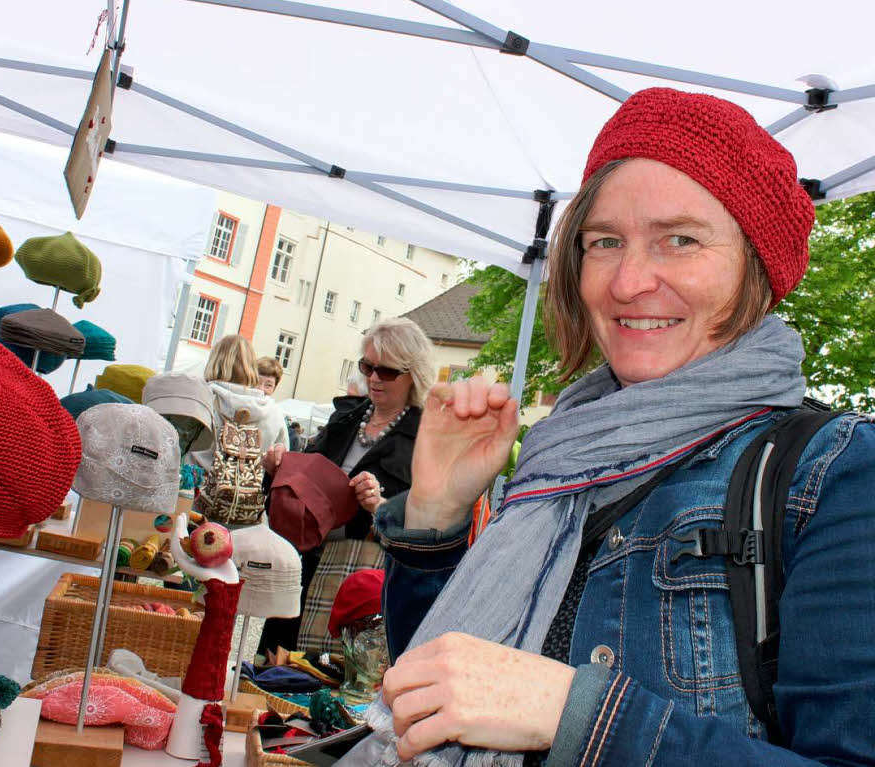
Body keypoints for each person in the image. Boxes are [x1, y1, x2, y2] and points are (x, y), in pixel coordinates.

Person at [343, 88, 875, 766]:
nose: (627, 281)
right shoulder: (555, 462)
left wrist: (578, 715)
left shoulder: (831, 474)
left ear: (758, 269)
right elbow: (433, 699)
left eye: (679, 239)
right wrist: (436, 515)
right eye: (605, 242)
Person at [259, 316, 435, 651]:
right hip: (305, 565)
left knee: (330, 674)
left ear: (414, 374)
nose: (373, 378)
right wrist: (278, 470)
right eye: (367, 367)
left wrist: (382, 506)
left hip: (365, 575)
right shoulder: (346, 417)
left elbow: (431, 524)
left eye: (386, 371)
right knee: (275, 667)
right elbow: (300, 484)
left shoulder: (428, 437)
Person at [188, 335, 289, 473]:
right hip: (246, 491)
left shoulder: (203, 398)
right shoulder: (274, 413)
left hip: (196, 486)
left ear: (215, 361)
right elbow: (282, 461)